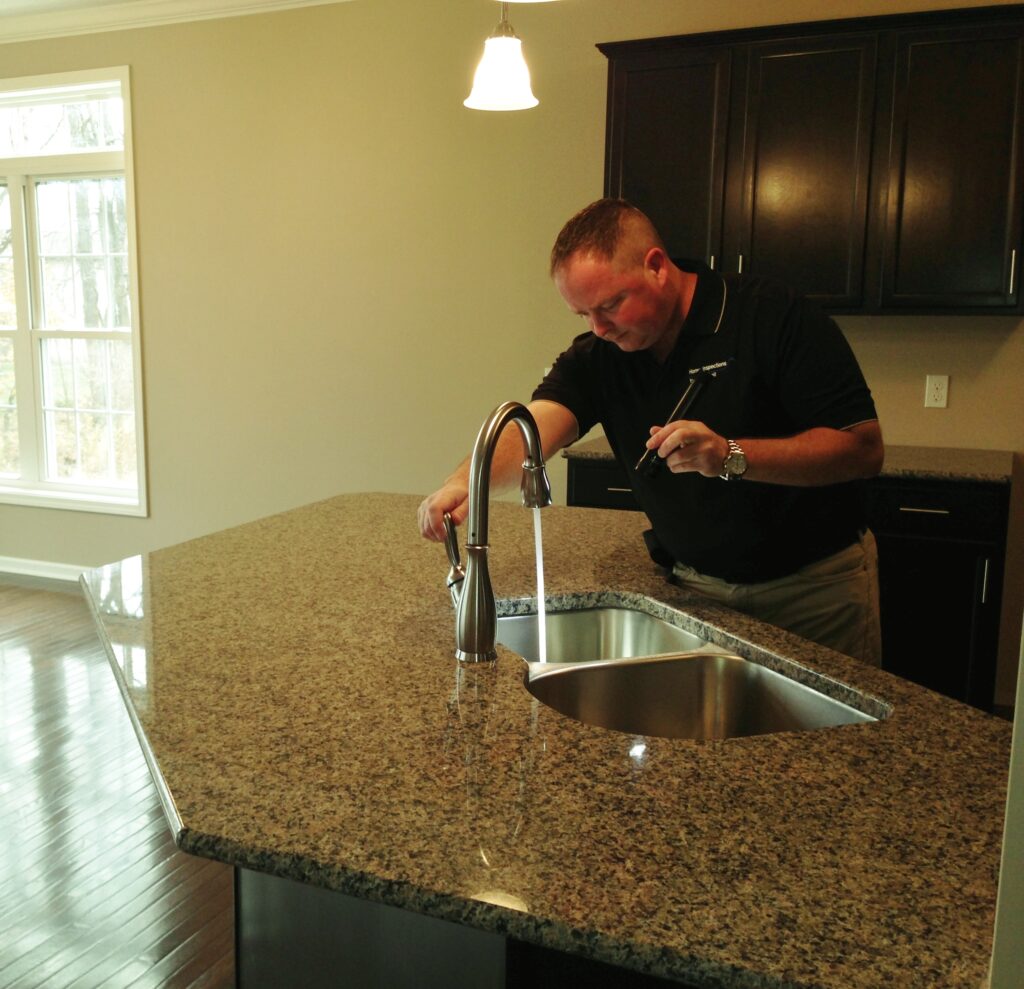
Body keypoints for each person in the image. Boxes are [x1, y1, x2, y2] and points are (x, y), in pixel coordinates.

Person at [418, 198, 884, 664]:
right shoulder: (600, 356)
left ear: (656, 266)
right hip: (697, 592)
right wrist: (464, 482)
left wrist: (729, 456)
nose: (599, 328)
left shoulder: (773, 315)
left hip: (814, 592)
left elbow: (862, 449)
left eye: (611, 305)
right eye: (583, 315)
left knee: (828, 737)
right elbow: (534, 426)